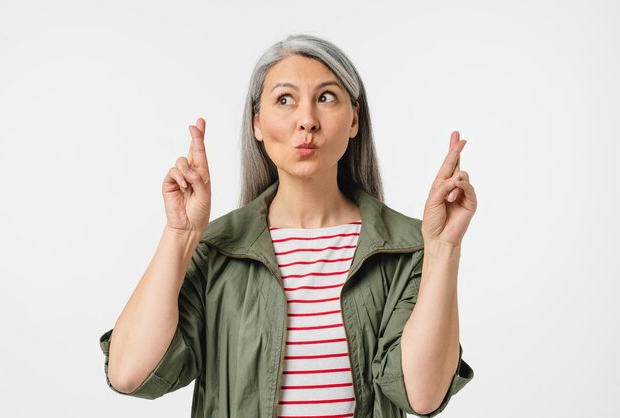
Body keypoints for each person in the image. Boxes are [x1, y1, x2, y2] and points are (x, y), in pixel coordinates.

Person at [99, 33, 476, 418]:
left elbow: (423, 395)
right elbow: (129, 373)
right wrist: (180, 236)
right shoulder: (217, 251)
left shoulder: (408, 249)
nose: (307, 121)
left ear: (354, 120)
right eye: (284, 100)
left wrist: (444, 248)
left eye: (326, 97)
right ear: (257, 123)